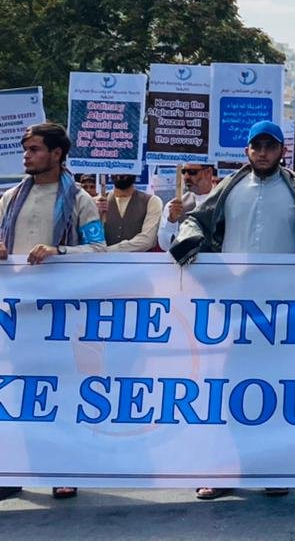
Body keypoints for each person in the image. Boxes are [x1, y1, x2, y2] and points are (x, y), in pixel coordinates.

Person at [168, 120, 295, 502]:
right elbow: (196, 220)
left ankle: (273, 469)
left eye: (270, 146)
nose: (262, 152)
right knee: (225, 389)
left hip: (281, 310)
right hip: (232, 307)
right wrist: (190, 238)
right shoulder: (228, 188)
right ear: (247, 150)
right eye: (256, 145)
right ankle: (222, 470)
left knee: (276, 390)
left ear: (282, 151)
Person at [0, 123, 106, 501]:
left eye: (34, 149)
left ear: (57, 153)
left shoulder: (79, 200)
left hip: (61, 318)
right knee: (14, 394)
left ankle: (64, 470)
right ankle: (12, 471)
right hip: (15, 316)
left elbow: (97, 250)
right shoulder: (10, 198)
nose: (26, 156)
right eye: (25, 149)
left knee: (59, 394)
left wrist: (58, 252)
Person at [97, 174, 163, 252]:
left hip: (139, 262)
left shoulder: (152, 201)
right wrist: (97, 214)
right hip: (101, 262)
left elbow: (147, 241)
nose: (121, 173)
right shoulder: (96, 202)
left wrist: (106, 251)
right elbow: (92, 239)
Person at [158, 163, 216, 250]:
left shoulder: (225, 201)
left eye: (192, 172)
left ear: (208, 172)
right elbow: (165, 246)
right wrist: (171, 222)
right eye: (184, 172)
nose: (186, 177)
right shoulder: (174, 205)